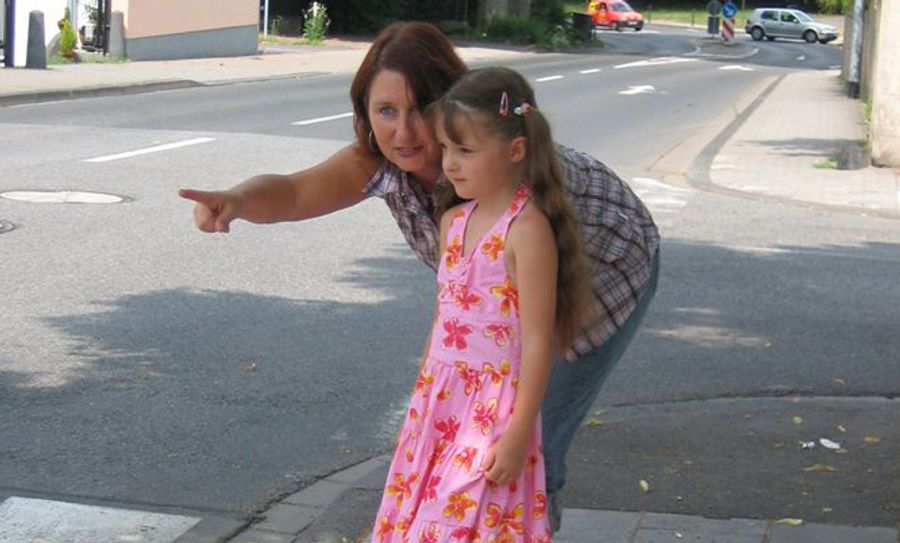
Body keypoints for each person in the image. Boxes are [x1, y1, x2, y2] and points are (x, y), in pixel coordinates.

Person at [178, 21, 660, 532]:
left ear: (455, 106)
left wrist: (514, 427)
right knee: (445, 479)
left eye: (421, 111)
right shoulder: (388, 165)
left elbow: (537, 339)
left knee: (525, 451)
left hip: (604, 278)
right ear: (365, 112)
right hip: (489, 339)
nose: (404, 133)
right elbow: (297, 192)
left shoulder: (510, 179)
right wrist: (238, 200)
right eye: (386, 111)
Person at [370, 66, 590, 542]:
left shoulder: (526, 232)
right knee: (418, 524)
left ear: (515, 150)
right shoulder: (452, 221)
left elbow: (536, 340)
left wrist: (517, 435)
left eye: (465, 151)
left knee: (463, 528)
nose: (449, 164)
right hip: (440, 403)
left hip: (492, 415)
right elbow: (442, 317)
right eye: (446, 148)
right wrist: (420, 399)